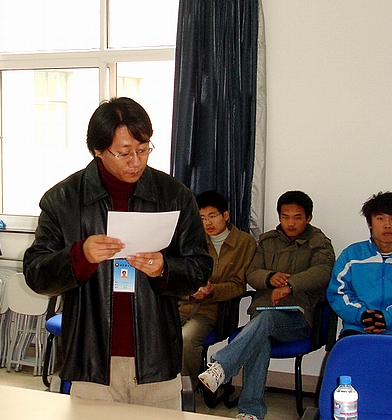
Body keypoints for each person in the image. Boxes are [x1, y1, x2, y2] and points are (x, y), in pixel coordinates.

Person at [23, 97, 213, 410]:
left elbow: (199, 269)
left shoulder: (174, 195)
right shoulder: (64, 200)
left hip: (156, 355)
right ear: (97, 150)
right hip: (92, 359)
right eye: (124, 153)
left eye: (143, 149)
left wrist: (164, 269)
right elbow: (37, 275)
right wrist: (80, 255)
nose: (135, 161)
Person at [198, 190, 335, 420]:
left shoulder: (319, 243)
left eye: (297, 217)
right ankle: (250, 413)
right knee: (260, 337)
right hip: (263, 314)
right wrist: (270, 277)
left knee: (265, 322)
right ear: (279, 216)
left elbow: (322, 272)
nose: (290, 223)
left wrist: (290, 286)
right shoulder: (267, 241)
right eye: (285, 217)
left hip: (299, 318)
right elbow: (251, 272)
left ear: (308, 218)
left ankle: (222, 366)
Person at [179, 190, 256, 388]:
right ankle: (156, 386)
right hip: (182, 304)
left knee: (186, 339)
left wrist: (213, 290)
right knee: (150, 332)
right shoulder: (192, 239)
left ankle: (185, 391)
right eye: (202, 218)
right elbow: (179, 276)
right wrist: (190, 291)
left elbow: (239, 285)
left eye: (212, 216)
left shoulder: (244, 242)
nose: (207, 223)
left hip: (212, 311)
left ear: (226, 215)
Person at [327, 191, 392, 338]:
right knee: (348, 351)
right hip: (358, 328)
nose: (387, 225)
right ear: (369, 223)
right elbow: (337, 293)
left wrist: (388, 318)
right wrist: (363, 316)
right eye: (380, 219)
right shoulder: (352, 255)